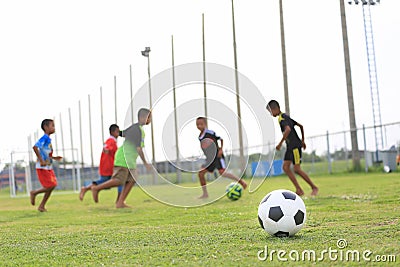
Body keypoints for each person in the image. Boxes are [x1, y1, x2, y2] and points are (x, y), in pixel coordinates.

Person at [91, 108, 152, 208]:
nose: (150, 119)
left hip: (130, 160)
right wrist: (145, 163)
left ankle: (120, 202)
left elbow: (121, 133)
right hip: (124, 159)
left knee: (132, 179)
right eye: (149, 117)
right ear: (142, 117)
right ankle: (96, 188)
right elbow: (139, 148)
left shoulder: (136, 128)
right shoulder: (137, 130)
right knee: (119, 180)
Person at [266, 100, 318, 196]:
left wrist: (280, 144)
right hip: (291, 147)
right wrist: (302, 140)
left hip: (294, 146)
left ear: (275, 109)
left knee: (297, 169)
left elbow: (288, 130)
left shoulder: (282, 119)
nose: (270, 114)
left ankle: (314, 187)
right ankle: (299, 189)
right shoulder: (284, 116)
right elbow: (301, 126)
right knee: (285, 167)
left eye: (270, 111)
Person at [196, 117, 247, 199]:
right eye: (197, 124)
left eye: (201, 124)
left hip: (217, 156)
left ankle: (241, 182)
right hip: (209, 159)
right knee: (201, 173)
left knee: (222, 173)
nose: (199, 126)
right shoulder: (200, 136)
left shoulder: (210, 133)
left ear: (205, 124)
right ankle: (205, 194)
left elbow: (220, 139)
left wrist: (221, 150)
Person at [79, 124, 123, 202]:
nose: (119, 133)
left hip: (106, 165)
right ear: (113, 132)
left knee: (105, 182)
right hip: (109, 166)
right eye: (117, 131)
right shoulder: (111, 141)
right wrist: (106, 150)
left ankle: (86, 189)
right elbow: (107, 148)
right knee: (120, 180)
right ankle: (119, 200)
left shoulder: (110, 141)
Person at [30, 119, 63, 211]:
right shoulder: (44, 138)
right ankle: (34, 193)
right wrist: (41, 160)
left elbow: (46, 153)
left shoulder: (48, 139)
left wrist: (54, 158)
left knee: (52, 186)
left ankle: (41, 206)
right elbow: (35, 147)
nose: (54, 128)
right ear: (46, 127)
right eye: (52, 126)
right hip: (42, 167)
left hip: (48, 166)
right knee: (51, 185)